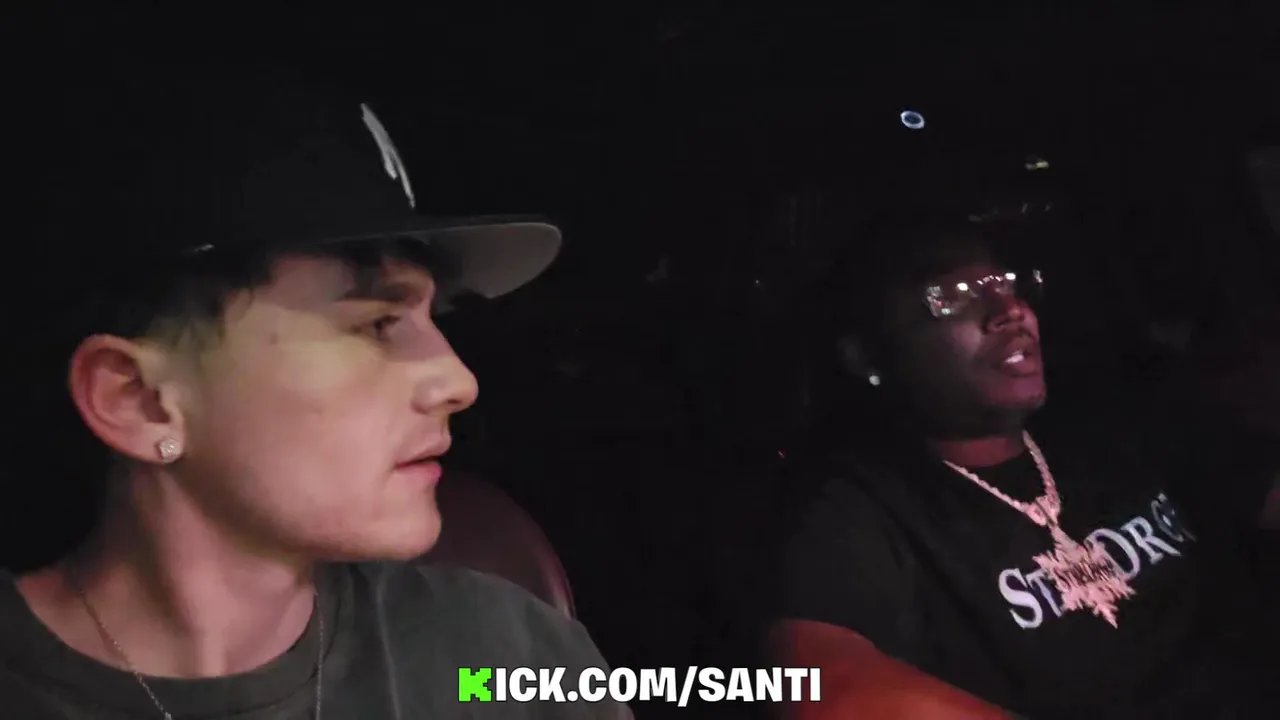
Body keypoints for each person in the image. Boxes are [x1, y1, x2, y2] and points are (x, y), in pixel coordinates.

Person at [0, 64, 631, 719]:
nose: (458, 382)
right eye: (378, 323)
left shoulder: (504, 658)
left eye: (433, 319)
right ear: (140, 400)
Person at [769, 208, 1279, 719]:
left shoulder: (1115, 424)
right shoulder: (860, 507)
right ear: (869, 358)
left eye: (1004, 285)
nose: (1007, 311)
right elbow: (815, 685)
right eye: (953, 296)